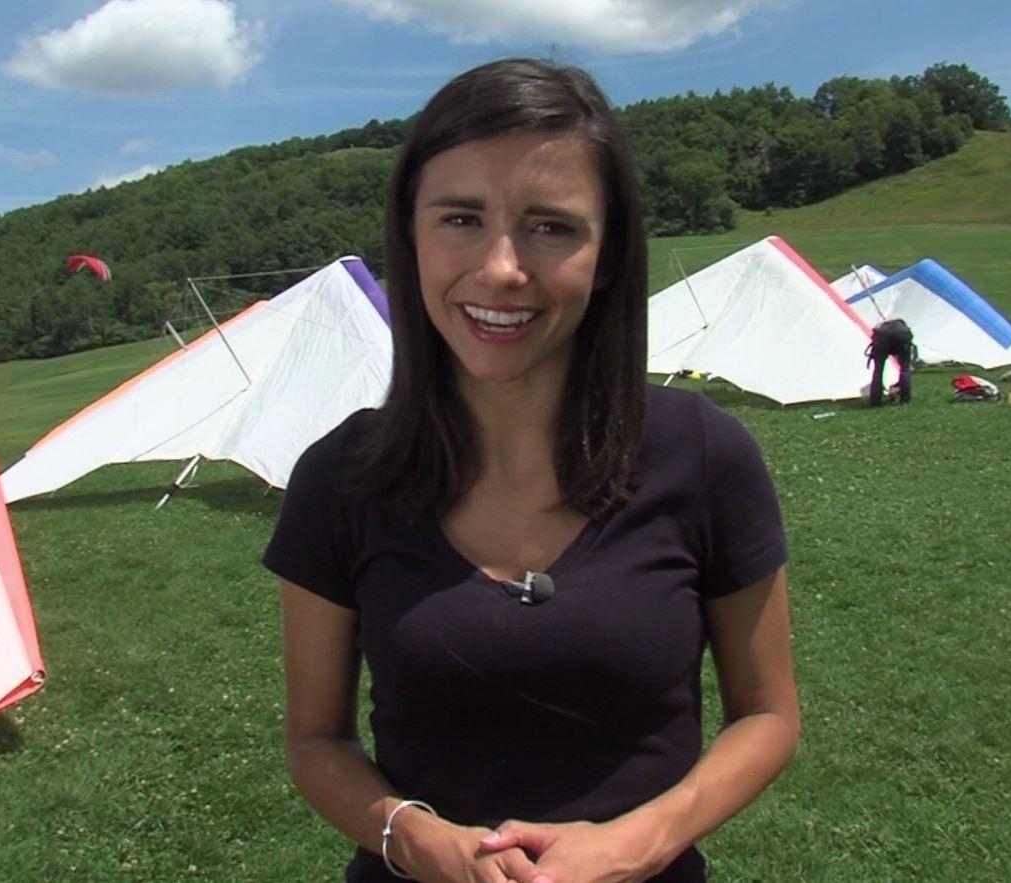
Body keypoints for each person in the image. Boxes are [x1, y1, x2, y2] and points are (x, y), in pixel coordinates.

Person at [265, 58, 799, 883]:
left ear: (609, 252)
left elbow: (766, 715)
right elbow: (315, 738)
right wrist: (416, 839)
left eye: (550, 226)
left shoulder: (704, 454)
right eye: (460, 219)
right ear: (407, 238)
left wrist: (636, 843)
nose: (501, 269)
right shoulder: (339, 476)